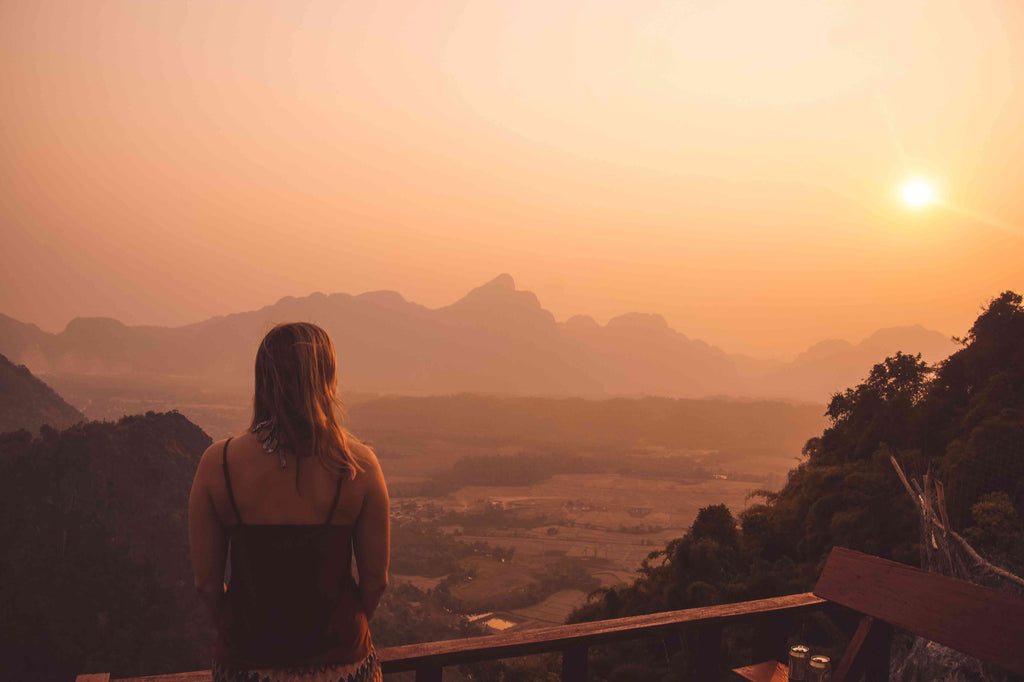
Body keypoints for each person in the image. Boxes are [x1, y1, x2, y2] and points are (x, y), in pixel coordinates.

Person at [189, 322, 389, 682]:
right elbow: (375, 581)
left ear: (263, 380)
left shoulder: (216, 465)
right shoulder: (359, 466)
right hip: (342, 666)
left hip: (246, 667)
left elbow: (206, 583)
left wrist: (240, 632)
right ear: (326, 378)